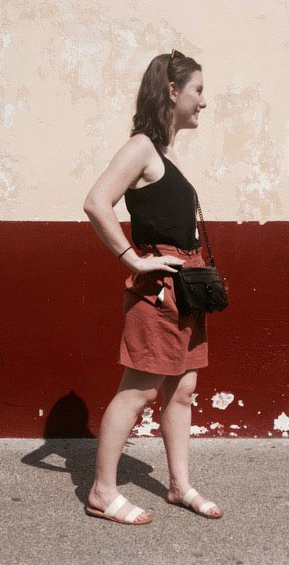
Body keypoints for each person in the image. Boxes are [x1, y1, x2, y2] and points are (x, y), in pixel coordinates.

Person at [81, 48, 222, 525]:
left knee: (182, 390)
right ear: (172, 91)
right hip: (159, 290)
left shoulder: (162, 153)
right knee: (138, 391)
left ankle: (179, 486)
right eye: (198, 90)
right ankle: (102, 490)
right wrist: (133, 258)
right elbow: (97, 202)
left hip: (187, 289)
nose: (203, 101)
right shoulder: (142, 146)